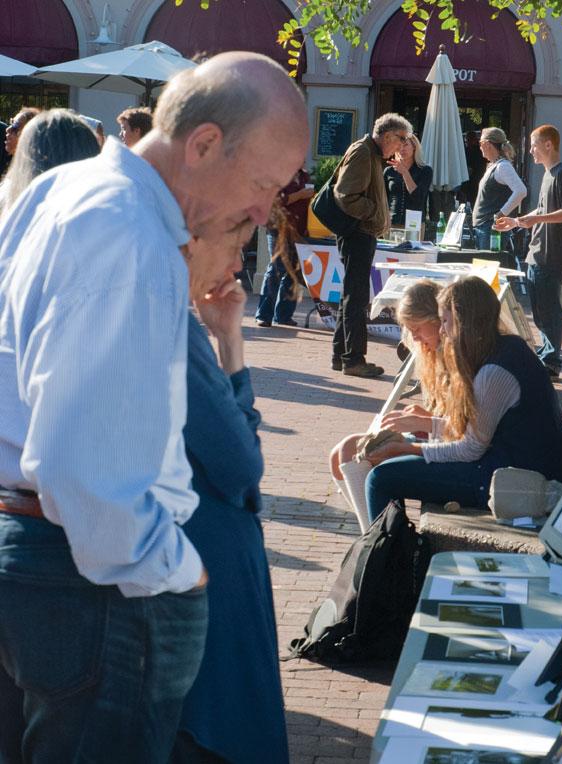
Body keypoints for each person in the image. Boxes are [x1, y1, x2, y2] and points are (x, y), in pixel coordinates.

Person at [0, 51, 307, 762]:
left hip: (48, 557)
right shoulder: (127, 232)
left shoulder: (68, 190)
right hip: (92, 582)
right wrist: (171, 574)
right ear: (202, 144)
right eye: (262, 183)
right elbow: (83, 468)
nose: (264, 211)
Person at [172, 227, 288, 763]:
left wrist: (230, 338)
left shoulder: (183, 326)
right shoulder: (173, 327)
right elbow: (242, 463)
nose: (240, 265)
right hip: (207, 559)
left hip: (208, 548)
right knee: (224, 727)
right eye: (234, 241)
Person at [363, 276, 562, 523]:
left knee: (380, 479)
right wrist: (426, 426)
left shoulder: (494, 371)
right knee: (387, 469)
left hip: (512, 481)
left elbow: (471, 448)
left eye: (445, 321)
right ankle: (391, 548)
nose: (442, 331)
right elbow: (476, 433)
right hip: (507, 466)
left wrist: (407, 448)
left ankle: (385, 555)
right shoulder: (506, 348)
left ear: (464, 322)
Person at [329, 279, 447, 529]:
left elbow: (466, 432)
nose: (413, 336)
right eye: (409, 329)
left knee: (354, 449)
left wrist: (421, 423)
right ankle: (374, 536)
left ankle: (377, 539)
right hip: (445, 443)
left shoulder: (453, 354)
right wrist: (421, 418)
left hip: (455, 455)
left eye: (417, 327)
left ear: (437, 320)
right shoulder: (435, 352)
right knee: (339, 454)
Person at [331, 112, 412, 378]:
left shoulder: (370, 154)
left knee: (351, 295)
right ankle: (353, 359)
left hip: (360, 232)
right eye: (401, 139)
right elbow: (345, 194)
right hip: (358, 233)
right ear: (387, 135)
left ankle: (340, 355)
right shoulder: (364, 153)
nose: (403, 145)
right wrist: (374, 212)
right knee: (356, 297)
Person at [495, 124, 562, 380]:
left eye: (533, 144)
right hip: (537, 253)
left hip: (552, 255)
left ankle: (551, 362)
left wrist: (536, 219)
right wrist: (517, 221)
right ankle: (545, 355)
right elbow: (540, 211)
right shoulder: (547, 174)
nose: (530, 150)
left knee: (549, 309)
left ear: (548, 145)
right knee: (539, 309)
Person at [0, 109, 100, 218]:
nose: (8, 129)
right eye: (11, 124)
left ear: (33, 136)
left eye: (16, 127)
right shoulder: (12, 179)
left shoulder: (41, 187)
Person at [255, 167, 314, 327]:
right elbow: (273, 201)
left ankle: (283, 315)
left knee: (294, 272)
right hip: (277, 228)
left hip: (299, 231)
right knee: (276, 269)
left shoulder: (304, 176)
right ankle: (264, 315)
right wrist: (299, 195)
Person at [472, 127, 526, 251]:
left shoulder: (503, 166)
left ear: (487, 144)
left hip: (490, 229)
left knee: (487, 267)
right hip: (484, 227)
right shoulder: (495, 166)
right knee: (484, 267)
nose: (479, 147)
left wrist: (501, 214)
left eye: (480, 143)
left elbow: (521, 191)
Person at [384, 133, 433, 229]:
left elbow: (418, 198)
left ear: (414, 147)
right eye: (399, 146)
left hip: (414, 223)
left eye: (406, 145)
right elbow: (382, 198)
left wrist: (405, 173)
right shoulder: (389, 171)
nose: (402, 149)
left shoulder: (425, 170)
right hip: (391, 222)